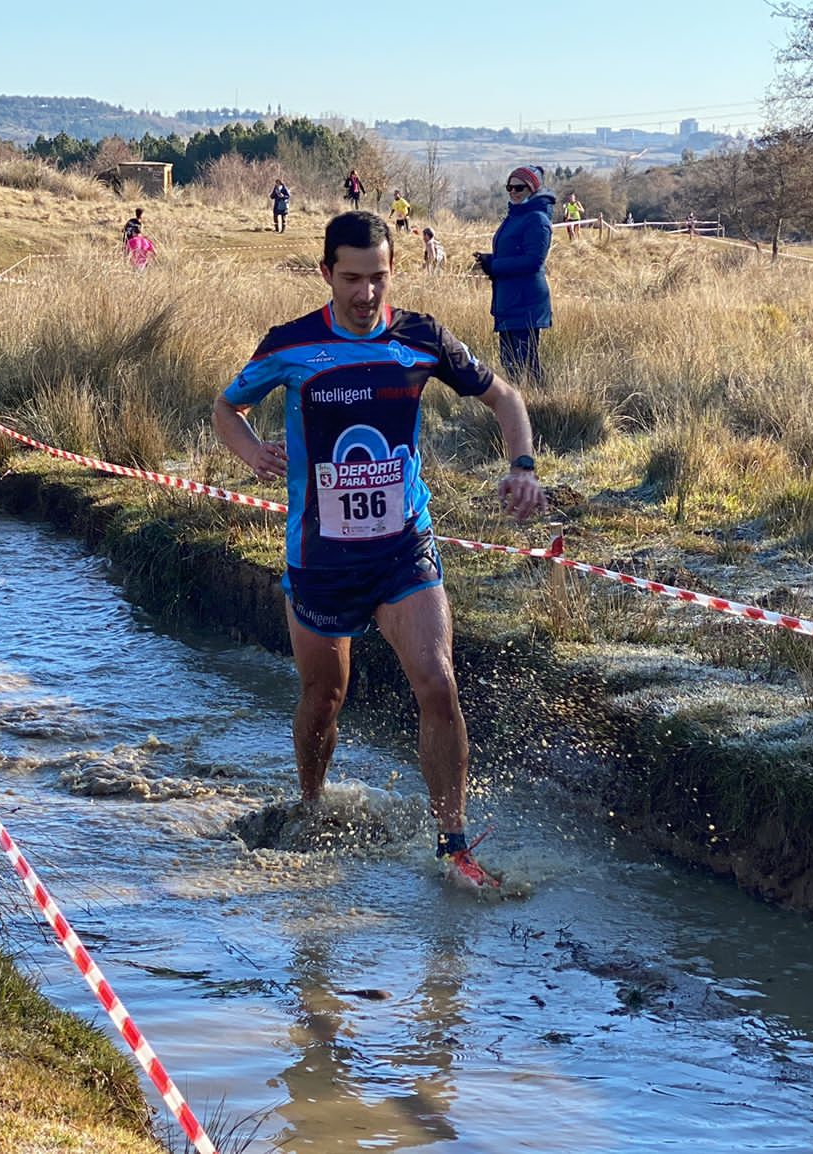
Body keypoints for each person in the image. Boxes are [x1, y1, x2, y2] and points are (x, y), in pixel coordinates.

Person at [210, 211, 546, 892]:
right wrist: (251, 454)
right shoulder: (291, 344)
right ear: (326, 273)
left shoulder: (421, 338)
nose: (366, 294)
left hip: (402, 547)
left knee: (437, 680)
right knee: (324, 696)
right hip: (321, 557)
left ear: (393, 273)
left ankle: (453, 844)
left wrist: (523, 466)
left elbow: (505, 397)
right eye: (353, 278)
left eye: (379, 278)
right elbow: (227, 407)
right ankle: (311, 801)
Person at [475, 165, 554, 386]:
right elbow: (513, 253)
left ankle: (536, 408)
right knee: (511, 363)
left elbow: (534, 260)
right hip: (509, 300)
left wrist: (496, 265)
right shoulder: (515, 215)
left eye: (518, 187)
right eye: (509, 187)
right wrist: (488, 260)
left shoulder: (537, 219)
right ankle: (526, 408)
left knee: (524, 364)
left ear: (531, 189)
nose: (513, 192)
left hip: (526, 302)